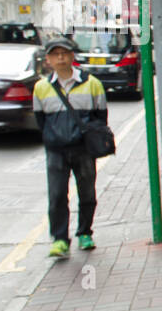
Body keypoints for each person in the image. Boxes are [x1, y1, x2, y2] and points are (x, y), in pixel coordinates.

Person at [32, 38, 108, 258]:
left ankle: (85, 232)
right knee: (56, 194)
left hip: (83, 149)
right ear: (48, 60)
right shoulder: (41, 87)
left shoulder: (91, 83)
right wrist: (52, 137)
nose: (60, 58)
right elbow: (41, 120)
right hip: (56, 150)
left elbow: (100, 116)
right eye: (55, 54)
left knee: (87, 193)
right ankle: (59, 239)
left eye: (64, 53)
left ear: (72, 56)